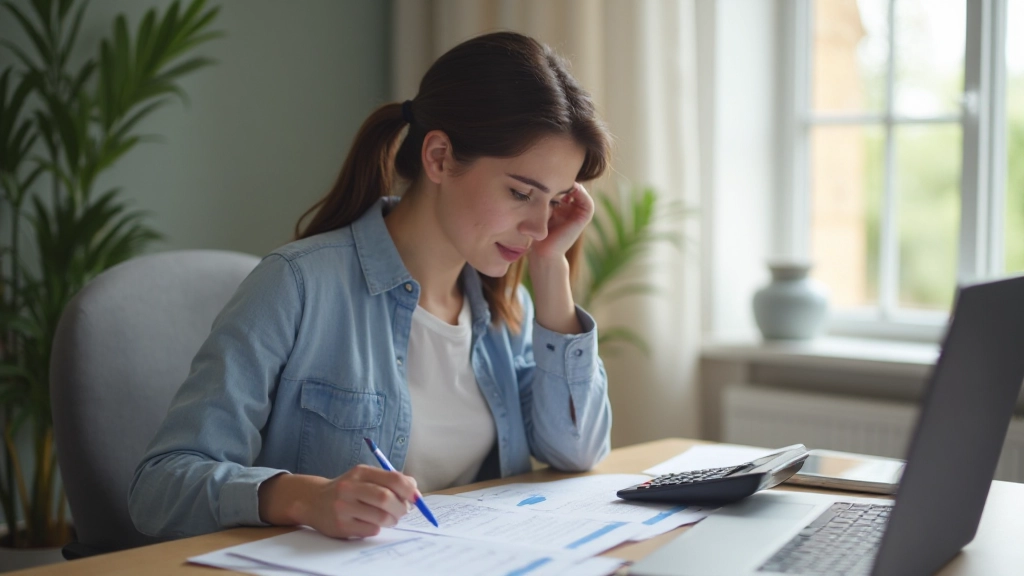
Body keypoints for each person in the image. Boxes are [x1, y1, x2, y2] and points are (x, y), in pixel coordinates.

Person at [128, 31, 613, 541]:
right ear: (440, 156)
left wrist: (551, 270)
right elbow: (161, 486)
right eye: (520, 193)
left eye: (555, 200)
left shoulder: (501, 308)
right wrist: (303, 498)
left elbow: (577, 451)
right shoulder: (295, 285)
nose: (540, 226)